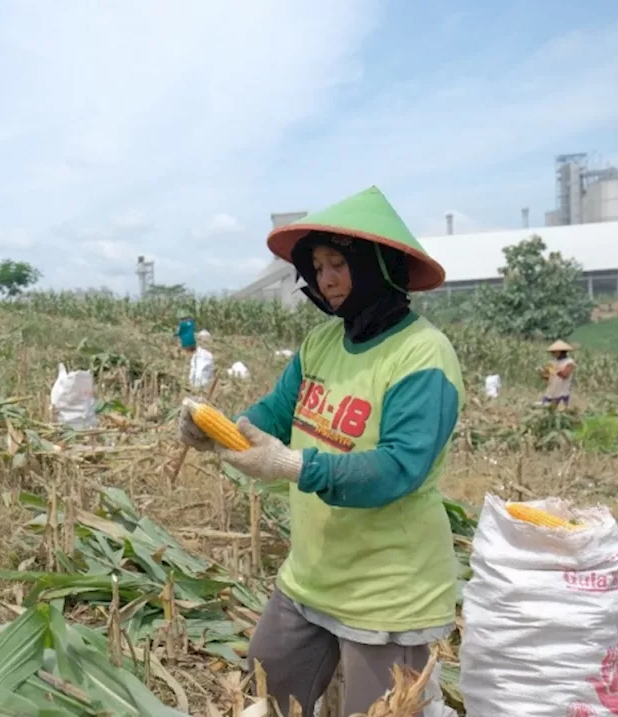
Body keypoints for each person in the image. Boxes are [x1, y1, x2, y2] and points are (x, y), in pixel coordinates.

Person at [177, 186, 463, 715]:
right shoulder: (321, 345)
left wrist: (290, 464)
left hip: (387, 593)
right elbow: (273, 414)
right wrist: (217, 432)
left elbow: (400, 468)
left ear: (377, 267)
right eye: (317, 265)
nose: (326, 279)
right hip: (311, 576)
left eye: (339, 263)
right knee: (268, 685)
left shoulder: (423, 357)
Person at [541, 340, 577, 409]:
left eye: (554, 352)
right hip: (549, 393)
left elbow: (565, 375)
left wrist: (555, 369)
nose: (552, 354)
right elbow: (549, 378)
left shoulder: (569, 362)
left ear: (559, 351)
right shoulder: (552, 362)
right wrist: (543, 374)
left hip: (561, 394)